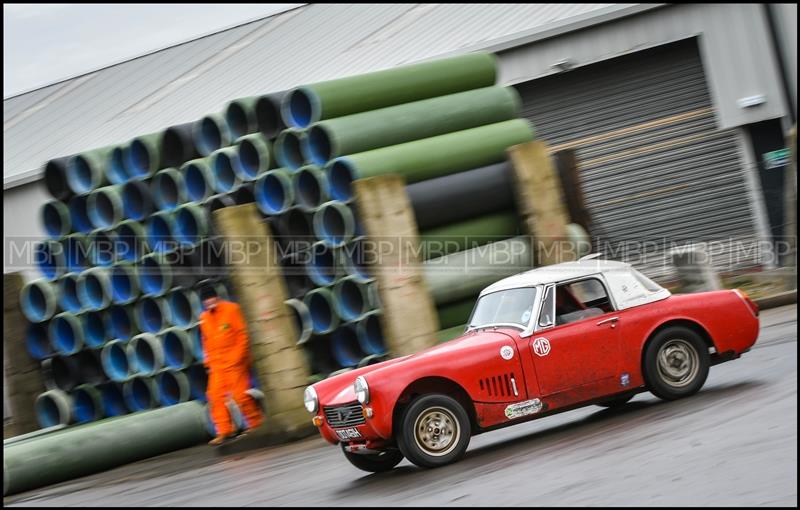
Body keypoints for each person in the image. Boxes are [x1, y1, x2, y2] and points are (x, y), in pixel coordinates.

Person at [198, 282, 264, 445]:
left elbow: (243, 335)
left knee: (240, 396)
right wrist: (208, 363)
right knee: (214, 396)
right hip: (217, 365)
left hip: (235, 363)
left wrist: (237, 358)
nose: (209, 302)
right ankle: (224, 431)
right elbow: (206, 342)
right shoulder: (204, 319)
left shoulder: (232, 310)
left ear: (217, 297)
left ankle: (255, 425)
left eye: (211, 298)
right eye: (205, 300)